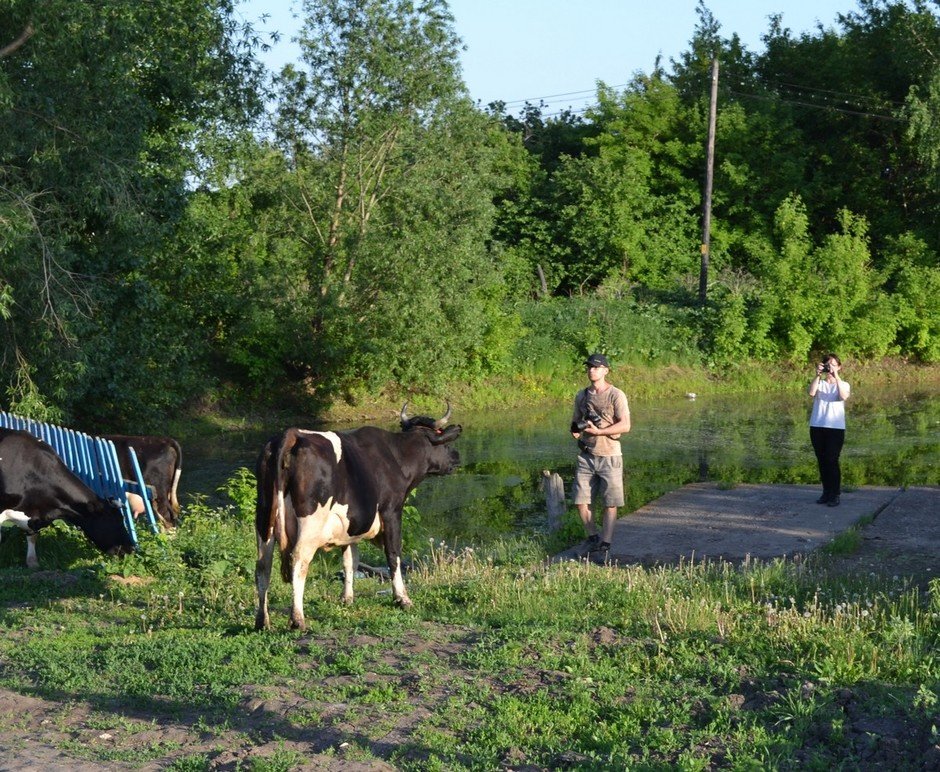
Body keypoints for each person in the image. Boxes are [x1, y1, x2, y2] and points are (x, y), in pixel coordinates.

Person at [570, 353, 632, 558]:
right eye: (589, 367)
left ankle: (605, 543)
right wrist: (576, 431)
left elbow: (626, 425)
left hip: (610, 456)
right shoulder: (582, 395)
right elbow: (575, 422)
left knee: (610, 502)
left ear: (606, 370)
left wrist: (599, 431)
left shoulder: (616, 394)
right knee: (581, 500)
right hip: (586, 455)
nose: (591, 370)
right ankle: (592, 537)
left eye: (596, 367)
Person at [808, 353, 850, 507]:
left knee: (832, 460)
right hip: (817, 426)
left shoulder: (844, 384)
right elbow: (812, 393)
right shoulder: (820, 383)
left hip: (835, 428)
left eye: (833, 364)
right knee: (822, 460)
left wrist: (836, 376)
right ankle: (826, 492)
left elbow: (843, 396)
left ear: (839, 366)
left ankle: (835, 493)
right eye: (828, 364)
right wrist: (818, 375)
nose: (830, 367)